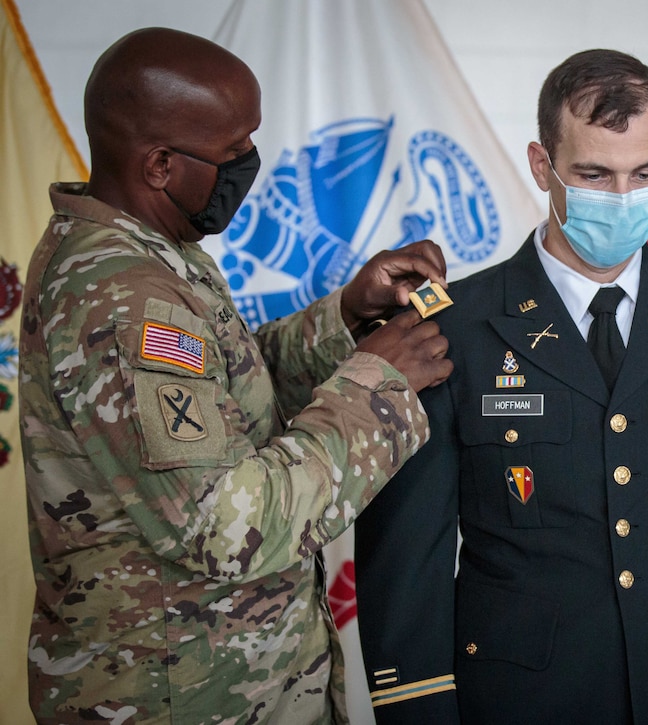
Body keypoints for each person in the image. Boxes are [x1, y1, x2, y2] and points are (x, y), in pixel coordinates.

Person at [353, 48, 648, 724]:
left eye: (644, 173)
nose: (622, 197)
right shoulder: (454, 329)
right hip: (521, 699)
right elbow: (407, 564)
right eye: (593, 173)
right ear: (544, 166)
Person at [19, 27, 452, 724]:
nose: (251, 161)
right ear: (160, 163)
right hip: (182, 698)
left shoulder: (147, 248)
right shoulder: (125, 299)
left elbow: (224, 398)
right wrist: (378, 390)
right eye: (234, 151)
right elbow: (225, 523)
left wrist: (344, 315)